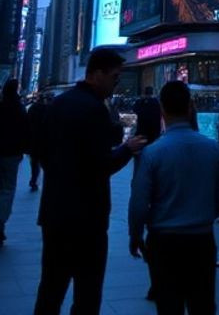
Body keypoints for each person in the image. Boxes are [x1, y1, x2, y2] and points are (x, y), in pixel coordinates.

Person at [33, 46, 146, 315]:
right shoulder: (94, 109)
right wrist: (127, 149)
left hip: (55, 212)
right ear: (96, 74)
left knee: (51, 287)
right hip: (87, 218)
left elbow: (40, 150)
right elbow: (101, 165)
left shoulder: (58, 103)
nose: (116, 83)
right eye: (114, 77)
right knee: (87, 291)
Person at [128, 80, 219, 315]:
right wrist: (205, 212)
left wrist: (135, 235)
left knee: (169, 306)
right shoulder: (213, 149)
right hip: (201, 238)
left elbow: (139, 202)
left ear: (162, 110)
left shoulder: (152, 153)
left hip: (163, 239)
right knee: (202, 305)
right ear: (189, 108)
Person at [0, 78, 29, 243]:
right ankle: (1, 223)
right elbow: (25, 131)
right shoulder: (19, 108)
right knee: (8, 189)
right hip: (12, 154)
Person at [27, 93, 50, 191]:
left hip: (33, 141)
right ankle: (42, 183)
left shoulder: (32, 108)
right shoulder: (48, 109)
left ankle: (34, 180)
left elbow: (27, 124)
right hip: (45, 142)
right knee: (45, 164)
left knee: (34, 163)